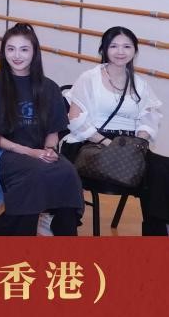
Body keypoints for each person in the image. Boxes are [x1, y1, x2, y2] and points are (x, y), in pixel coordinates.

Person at [0, 24, 82, 236]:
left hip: (39, 150)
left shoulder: (49, 87)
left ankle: (61, 231)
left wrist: (49, 150)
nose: (17, 55)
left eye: (24, 49)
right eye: (11, 49)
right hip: (0, 152)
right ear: (4, 52)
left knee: (67, 172)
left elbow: (53, 131)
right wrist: (30, 152)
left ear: (34, 52)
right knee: (34, 174)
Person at [63, 26, 164, 235]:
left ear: (134, 51)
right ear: (104, 49)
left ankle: (157, 237)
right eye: (114, 46)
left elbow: (149, 115)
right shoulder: (89, 78)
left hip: (129, 143)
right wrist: (106, 143)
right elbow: (75, 117)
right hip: (92, 141)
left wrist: (139, 142)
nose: (120, 51)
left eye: (127, 46)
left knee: (162, 170)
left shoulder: (140, 84)